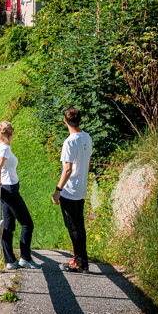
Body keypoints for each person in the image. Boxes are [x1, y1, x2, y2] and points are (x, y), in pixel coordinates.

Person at [0, 120, 41, 270]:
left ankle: (10, 261)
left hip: (7, 188)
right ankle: (25, 258)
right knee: (27, 224)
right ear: (11, 134)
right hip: (9, 189)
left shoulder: (0, 146)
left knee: (8, 226)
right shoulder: (5, 149)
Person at [52, 106, 93, 273]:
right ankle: (82, 259)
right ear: (80, 120)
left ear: (65, 121)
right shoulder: (87, 137)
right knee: (79, 226)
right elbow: (88, 162)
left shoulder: (69, 142)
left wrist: (58, 189)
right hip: (81, 188)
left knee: (73, 227)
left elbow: (67, 169)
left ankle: (80, 263)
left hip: (69, 191)